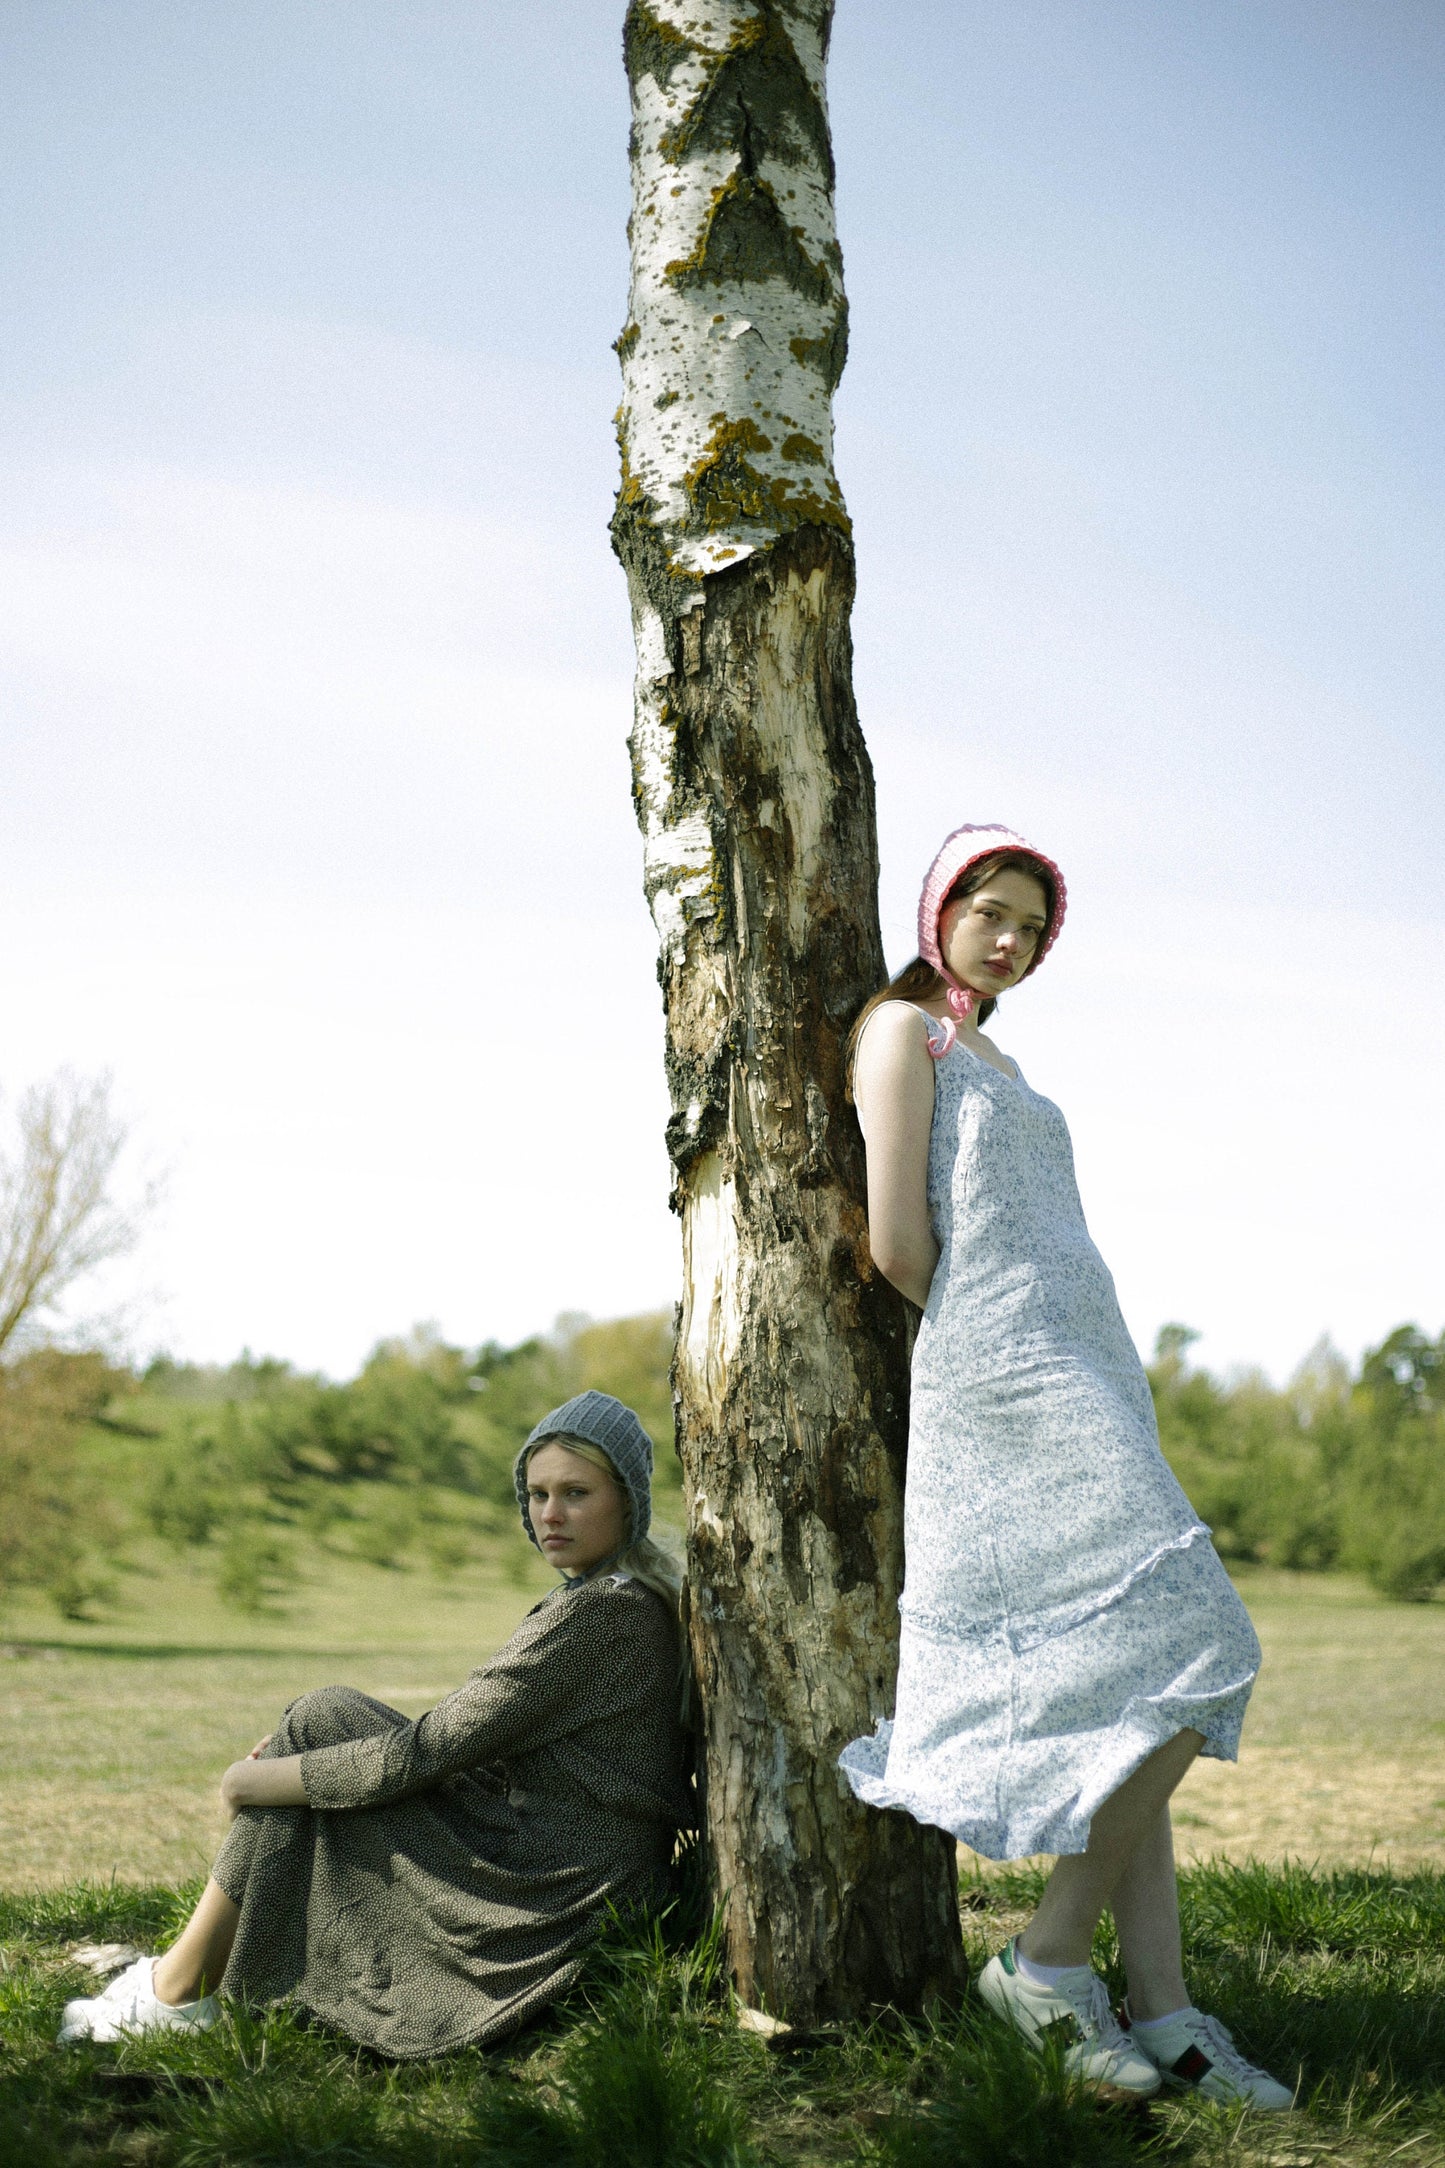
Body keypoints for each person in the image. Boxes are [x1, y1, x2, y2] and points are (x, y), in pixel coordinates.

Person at [838, 824, 1292, 2111]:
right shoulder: (901, 1032)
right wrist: (1005, 1347)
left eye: (1030, 926)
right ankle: (1041, 1962)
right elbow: (894, 1242)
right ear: (939, 910)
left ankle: (1164, 2011)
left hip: (1093, 1374)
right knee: (1209, 1642)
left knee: (1137, 1689)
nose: (1009, 938)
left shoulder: (1002, 1054)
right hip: (1007, 1382)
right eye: (988, 911)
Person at [59, 1390, 691, 2059]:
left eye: (575, 1492)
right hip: (562, 1859)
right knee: (323, 1719)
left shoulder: (600, 1618)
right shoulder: (610, 1598)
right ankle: (180, 1983)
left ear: (628, 1500)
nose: (550, 1514)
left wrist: (252, 1781)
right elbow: (476, 1741)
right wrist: (296, 1772)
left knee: (310, 1741)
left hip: (552, 1891)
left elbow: (428, 1752)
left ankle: (177, 1990)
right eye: (536, 1494)